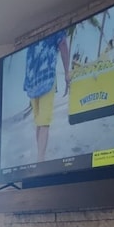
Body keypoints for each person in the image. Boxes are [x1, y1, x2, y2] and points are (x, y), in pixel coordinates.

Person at [23, 31, 71, 161]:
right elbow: (63, 44)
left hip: (31, 80)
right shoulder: (58, 30)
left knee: (39, 122)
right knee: (43, 122)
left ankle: (40, 157)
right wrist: (67, 72)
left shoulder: (33, 34)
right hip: (46, 77)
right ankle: (41, 160)